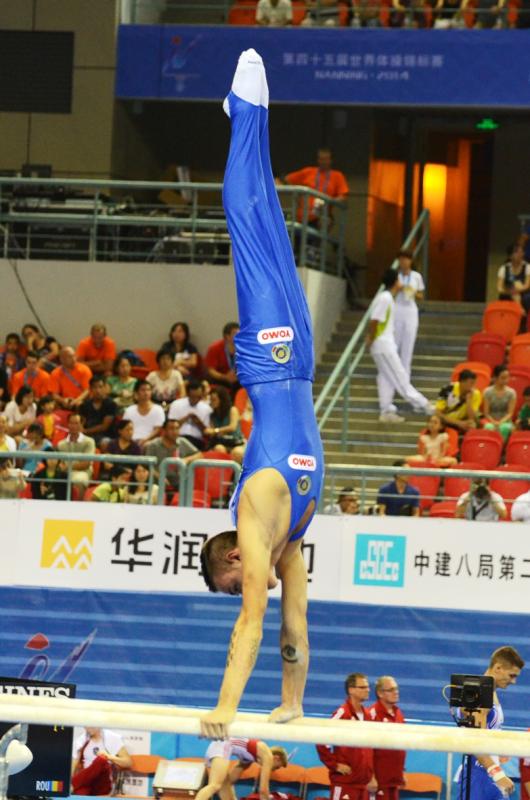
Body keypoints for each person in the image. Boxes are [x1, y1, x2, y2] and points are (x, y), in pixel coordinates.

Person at [199, 50, 324, 738]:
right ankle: (248, 108)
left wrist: (250, 704)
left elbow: (272, 619)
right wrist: (259, 706)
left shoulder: (274, 528)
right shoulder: (277, 536)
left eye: (235, 581)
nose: (248, 588)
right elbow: (281, 620)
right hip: (277, 361)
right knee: (249, 219)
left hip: (291, 362)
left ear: (233, 556)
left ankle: (249, 113)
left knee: (263, 223)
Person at [455, 646, 524, 800]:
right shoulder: (478, 693)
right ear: (498, 668)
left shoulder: (490, 692)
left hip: (489, 771)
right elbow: (474, 740)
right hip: (478, 775)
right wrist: (497, 773)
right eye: (511, 675)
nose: (514, 681)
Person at [367, 269, 433, 424]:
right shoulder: (385, 298)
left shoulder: (388, 298)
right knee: (400, 377)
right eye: (399, 279)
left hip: (382, 344)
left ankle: (386, 410)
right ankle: (425, 405)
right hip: (383, 344)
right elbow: (375, 320)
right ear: (396, 282)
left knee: (385, 377)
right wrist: (371, 338)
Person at [316, 673, 377, 800]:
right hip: (345, 784)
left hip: (363, 786)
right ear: (351, 690)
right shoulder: (343, 714)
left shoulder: (368, 716)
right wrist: (334, 765)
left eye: (368, 687)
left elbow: (369, 750)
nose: (368, 690)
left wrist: (372, 775)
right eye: (363, 687)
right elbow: (320, 739)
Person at [197, 739, 287, 800]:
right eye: (277, 767)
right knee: (214, 785)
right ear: (276, 758)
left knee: (224, 788)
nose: (274, 770)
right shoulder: (268, 756)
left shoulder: (249, 757)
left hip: (219, 745)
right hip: (223, 745)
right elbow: (263, 791)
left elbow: (230, 781)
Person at [282, 147, 349, 226]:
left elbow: (343, 197)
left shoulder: (337, 176)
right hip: (301, 216)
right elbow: (285, 180)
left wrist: (328, 202)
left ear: (331, 160)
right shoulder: (309, 171)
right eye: (321, 159)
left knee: (324, 222)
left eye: (325, 159)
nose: (323, 162)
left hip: (321, 216)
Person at [368, 677, 406, 800]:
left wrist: (401, 772)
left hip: (393, 779)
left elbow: (400, 746)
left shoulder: (398, 713)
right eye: (391, 690)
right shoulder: (372, 714)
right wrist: (370, 777)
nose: (396, 692)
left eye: (396, 689)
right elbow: (366, 749)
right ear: (380, 693)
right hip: (378, 781)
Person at [72, 727, 132, 796]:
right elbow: (73, 765)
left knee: (101, 760)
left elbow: (128, 763)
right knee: (80, 793)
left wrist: (108, 757)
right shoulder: (80, 740)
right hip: (86, 782)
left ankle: (72, 784)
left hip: (103, 782)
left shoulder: (112, 738)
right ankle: (72, 785)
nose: (88, 728)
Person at [393, 250, 425, 380]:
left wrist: (410, 291)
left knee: (408, 346)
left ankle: (405, 379)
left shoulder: (416, 276)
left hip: (410, 311)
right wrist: (398, 288)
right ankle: (393, 376)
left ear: (411, 261)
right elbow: (391, 292)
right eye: (401, 259)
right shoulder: (395, 275)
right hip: (397, 309)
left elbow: (421, 295)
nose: (403, 262)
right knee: (395, 344)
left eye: (406, 259)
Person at [144, 418, 199, 490]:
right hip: (158, 484)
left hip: (180, 483)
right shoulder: (153, 445)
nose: (175, 431)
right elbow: (148, 466)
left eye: (177, 428)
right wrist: (160, 477)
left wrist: (186, 460)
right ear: (164, 431)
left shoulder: (182, 442)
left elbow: (199, 455)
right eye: (171, 428)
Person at [57, 413, 96, 496]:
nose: (73, 426)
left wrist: (68, 467)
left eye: (76, 423)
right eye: (71, 423)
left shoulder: (89, 442)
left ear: (81, 424)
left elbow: (86, 464)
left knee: (79, 480)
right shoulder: (61, 444)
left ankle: (78, 504)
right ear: (68, 424)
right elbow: (59, 463)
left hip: (82, 472)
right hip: (64, 472)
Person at [168, 378, 212, 450]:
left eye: (198, 397)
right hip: (178, 438)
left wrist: (199, 423)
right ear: (188, 394)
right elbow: (169, 427)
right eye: (193, 397)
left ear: (202, 394)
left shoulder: (207, 408)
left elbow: (207, 432)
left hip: (197, 440)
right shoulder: (176, 404)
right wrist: (185, 418)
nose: (195, 400)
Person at [204, 385, 246, 461]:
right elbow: (212, 432)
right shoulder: (212, 415)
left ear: (222, 400)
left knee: (237, 452)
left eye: (214, 400)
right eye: (211, 400)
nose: (211, 402)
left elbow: (232, 427)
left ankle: (237, 469)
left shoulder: (232, 410)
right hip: (222, 442)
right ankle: (223, 469)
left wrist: (216, 431)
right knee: (218, 448)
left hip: (236, 442)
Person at [435, 368, 482, 433]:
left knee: (472, 425)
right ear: (462, 382)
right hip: (447, 420)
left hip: (464, 421)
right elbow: (439, 413)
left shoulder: (476, 394)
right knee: (435, 421)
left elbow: (471, 418)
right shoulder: (447, 389)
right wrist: (458, 423)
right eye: (471, 383)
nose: (473, 386)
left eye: (474, 383)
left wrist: (468, 401)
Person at [122, 380, 165, 447]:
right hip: (131, 441)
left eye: (148, 390)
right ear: (136, 393)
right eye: (143, 390)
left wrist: (145, 440)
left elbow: (158, 430)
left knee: (147, 445)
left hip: (150, 441)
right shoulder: (129, 410)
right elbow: (124, 429)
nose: (146, 393)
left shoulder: (158, 409)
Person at [79, 376, 119, 447]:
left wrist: (86, 431)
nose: (98, 390)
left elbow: (104, 426)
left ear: (105, 388)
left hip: (106, 436)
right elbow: (82, 422)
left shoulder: (111, 404)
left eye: (100, 387)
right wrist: (81, 429)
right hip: (87, 436)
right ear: (90, 389)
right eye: (95, 387)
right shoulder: (84, 405)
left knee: (106, 443)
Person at [482, 365, 516, 441]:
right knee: (489, 427)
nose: (506, 380)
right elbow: (486, 413)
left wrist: (500, 422)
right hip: (490, 419)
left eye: (507, 377)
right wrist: (494, 422)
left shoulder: (511, 393)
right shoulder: (487, 392)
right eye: (503, 378)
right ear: (495, 378)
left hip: (505, 420)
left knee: (505, 427)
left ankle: (501, 446)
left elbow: (510, 413)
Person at [204, 322, 240, 393]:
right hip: (220, 379)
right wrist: (224, 377)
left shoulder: (244, 348)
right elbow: (211, 370)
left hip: (238, 378)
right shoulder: (215, 348)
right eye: (236, 334)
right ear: (227, 336)